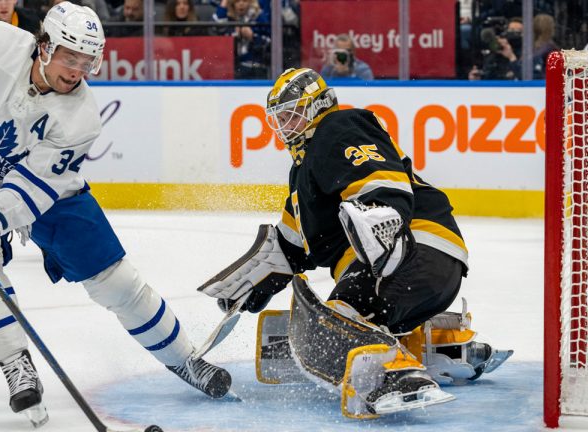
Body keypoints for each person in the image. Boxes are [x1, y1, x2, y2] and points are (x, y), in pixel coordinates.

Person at [0, 2, 231, 426]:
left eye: (88, 61)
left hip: (49, 195)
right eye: (70, 56)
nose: (77, 70)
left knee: (116, 282)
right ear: (44, 45)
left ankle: (186, 359)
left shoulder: (82, 118)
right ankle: (17, 364)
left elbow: (30, 189)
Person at [198, 68, 510, 417]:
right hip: (421, 268)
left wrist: (387, 237)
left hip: (416, 252)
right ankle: (442, 347)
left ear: (317, 105)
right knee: (352, 316)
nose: (285, 124)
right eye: (279, 117)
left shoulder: (337, 127)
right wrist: (257, 282)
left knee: (337, 320)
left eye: (292, 113)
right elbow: (291, 246)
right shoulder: (303, 170)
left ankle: (393, 374)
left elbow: (382, 188)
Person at [212, 0, 270, 79]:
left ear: (250, 2)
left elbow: (269, 41)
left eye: (245, 1)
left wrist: (253, 36)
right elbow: (217, 27)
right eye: (237, 1)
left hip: (255, 66)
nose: (241, 4)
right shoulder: (228, 17)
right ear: (232, 3)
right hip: (231, 65)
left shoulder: (259, 16)